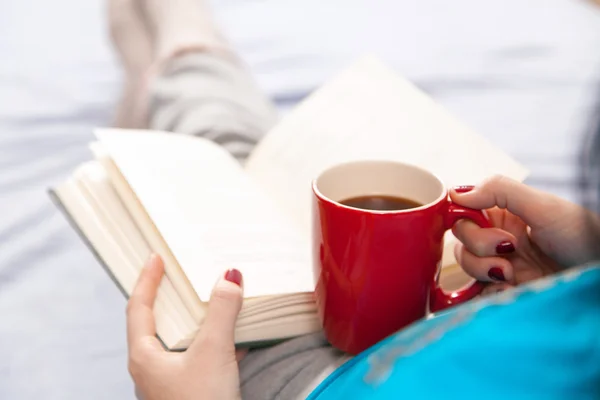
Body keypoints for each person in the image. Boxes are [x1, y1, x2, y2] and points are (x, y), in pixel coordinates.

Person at [109, 0, 600, 398]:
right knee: (246, 160)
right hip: (422, 349)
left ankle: (183, 55)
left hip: (318, 378)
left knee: (222, 150)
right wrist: (582, 268)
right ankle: (183, 59)